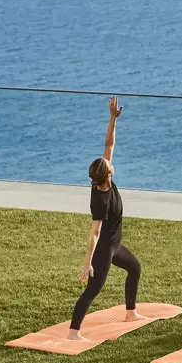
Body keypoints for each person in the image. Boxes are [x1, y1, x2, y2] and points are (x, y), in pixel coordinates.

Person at [68, 97, 144, 340]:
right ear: (107, 174)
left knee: (135, 268)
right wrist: (87, 262)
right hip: (103, 249)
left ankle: (130, 312)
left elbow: (109, 144)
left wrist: (112, 119)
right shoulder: (101, 200)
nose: (110, 161)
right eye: (108, 164)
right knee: (92, 290)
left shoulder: (103, 180)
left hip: (114, 245)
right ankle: (73, 333)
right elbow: (95, 233)